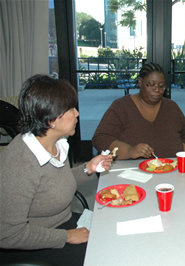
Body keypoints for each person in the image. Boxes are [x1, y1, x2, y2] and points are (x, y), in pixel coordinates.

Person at [0, 74, 113, 265]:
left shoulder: (55, 144)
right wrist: (66, 236)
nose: (77, 114)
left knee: (111, 232)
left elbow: (55, 185)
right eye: (70, 109)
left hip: (63, 224)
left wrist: (88, 168)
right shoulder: (19, 163)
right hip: (35, 244)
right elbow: (8, 234)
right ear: (51, 119)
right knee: (105, 256)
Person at [92, 63, 185, 159]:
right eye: (151, 85)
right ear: (140, 82)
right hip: (132, 173)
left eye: (161, 86)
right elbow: (100, 138)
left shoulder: (172, 107)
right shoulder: (121, 107)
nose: (157, 90)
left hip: (171, 169)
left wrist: (179, 156)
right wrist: (130, 151)